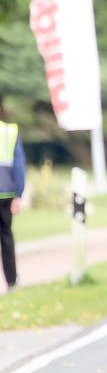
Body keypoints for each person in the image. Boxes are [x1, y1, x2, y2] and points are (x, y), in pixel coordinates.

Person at [0, 120, 25, 292]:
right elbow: (19, 166)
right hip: (5, 193)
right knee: (6, 238)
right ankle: (12, 281)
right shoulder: (9, 132)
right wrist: (19, 194)